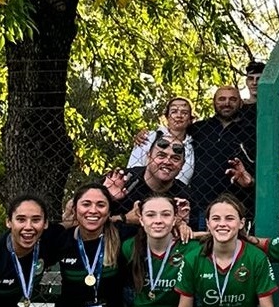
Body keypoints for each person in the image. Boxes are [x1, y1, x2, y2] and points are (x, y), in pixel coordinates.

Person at [40, 182, 131, 307]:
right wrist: (67, 221)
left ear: (109, 210)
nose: (93, 210)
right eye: (86, 204)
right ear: (74, 208)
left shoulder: (123, 236)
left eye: (100, 205)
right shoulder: (60, 238)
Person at [185, 84, 258, 222]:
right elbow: (173, 136)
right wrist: (145, 136)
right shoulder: (198, 129)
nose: (227, 103)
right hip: (200, 203)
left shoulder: (252, 131)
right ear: (214, 102)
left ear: (241, 103)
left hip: (238, 203)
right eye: (222, 99)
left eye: (232, 99)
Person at [105, 135, 188, 220]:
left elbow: (200, 231)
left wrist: (182, 226)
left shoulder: (185, 197)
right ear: (148, 156)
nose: (167, 162)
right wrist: (108, 198)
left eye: (175, 159)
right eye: (161, 156)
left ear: (182, 164)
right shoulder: (122, 180)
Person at [129, 96, 196, 184]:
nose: (179, 116)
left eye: (184, 112)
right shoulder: (150, 137)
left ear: (190, 119)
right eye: (174, 112)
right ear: (167, 117)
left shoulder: (193, 145)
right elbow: (133, 167)